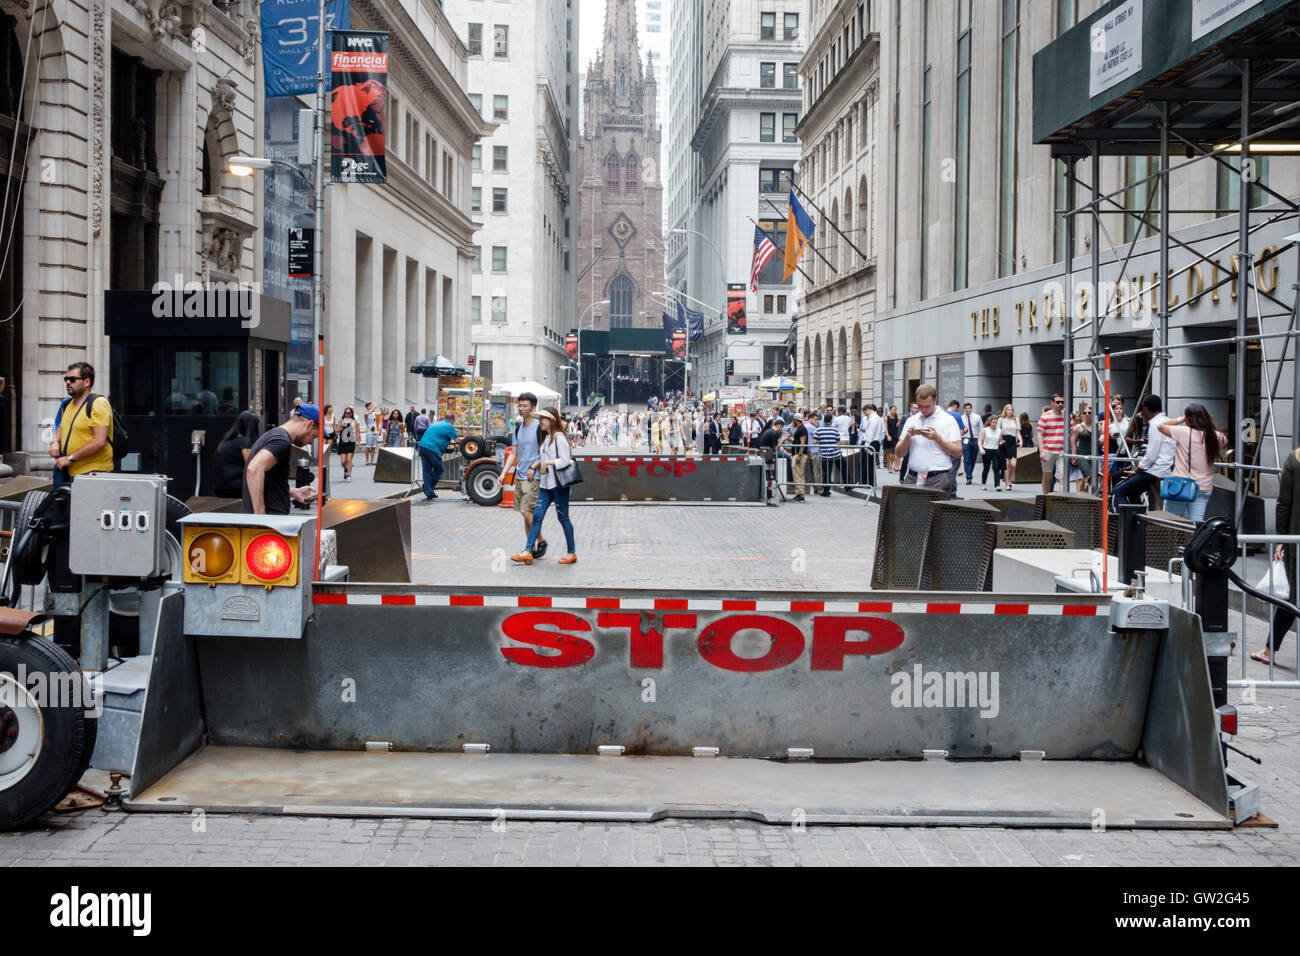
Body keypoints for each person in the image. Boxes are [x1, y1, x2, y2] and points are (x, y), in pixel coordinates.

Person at [512, 408, 577, 565]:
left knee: (563, 518)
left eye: (544, 419)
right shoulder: (546, 437)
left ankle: (571, 552)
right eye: (540, 418)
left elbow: (565, 460)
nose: (541, 421)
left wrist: (548, 463)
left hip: (559, 484)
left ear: (552, 421)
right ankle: (528, 550)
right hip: (545, 484)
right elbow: (544, 457)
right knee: (537, 516)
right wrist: (535, 465)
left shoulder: (559, 438)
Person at [1257, 445, 1300, 665]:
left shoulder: (1294, 459)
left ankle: (1269, 650)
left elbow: (1284, 503)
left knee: (1292, 598)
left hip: (1297, 540)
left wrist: (1281, 539)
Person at [242, 404, 319, 515]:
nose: (311, 441)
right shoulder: (281, 440)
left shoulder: (275, 435)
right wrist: (260, 516)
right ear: (309, 424)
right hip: (270, 521)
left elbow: (269, 480)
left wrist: (293, 492)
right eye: (314, 436)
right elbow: (254, 469)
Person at [1154, 404, 1225, 523]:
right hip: (1203, 487)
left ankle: (1173, 542)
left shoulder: (1183, 432)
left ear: (1188, 418)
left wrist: (1181, 419)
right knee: (1196, 523)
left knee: (1169, 521)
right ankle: (1193, 541)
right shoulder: (1216, 436)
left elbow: (1160, 426)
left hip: (1181, 485)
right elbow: (1224, 442)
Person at [50, 362, 113, 487]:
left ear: (87, 382)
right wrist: (55, 441)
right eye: (66, 379)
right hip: (69, 473)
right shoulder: (68, 404)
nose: (68, 382)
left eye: (72, 379)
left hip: (93, 473)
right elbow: (61, 427)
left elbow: (99, 441)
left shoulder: (98, 403)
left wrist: (70, 458)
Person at [896, 384, 963, 495]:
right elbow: (899, 453)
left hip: (938, 478)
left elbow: (958, 452)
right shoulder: (911, 420)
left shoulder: (948, 420)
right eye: (920, 406)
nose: (923, 410)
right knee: (908, 511)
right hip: (913, 477)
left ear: (935, 400)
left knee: (934, 512)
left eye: (927, 406)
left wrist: (937, 438)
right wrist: (907, 437)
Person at [1112, 395, 1174, 514]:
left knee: (1119, 491)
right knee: (1132, 491)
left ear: (1145, 408)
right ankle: (1137, 518)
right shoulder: (1168, 421)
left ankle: (1129, 524)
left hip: (1155, 471)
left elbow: (1151, 455)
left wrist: (1137, 470)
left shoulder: (1156, 424)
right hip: (1164, 469)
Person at [510, 392, 548, 558]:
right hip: (520, 475)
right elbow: (513, 453)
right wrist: (503, 473)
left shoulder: (540, 427)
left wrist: (534, 466)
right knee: (525, 515)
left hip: (534, 477)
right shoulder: (518, 427)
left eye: (525, 406)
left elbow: (546, 451)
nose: (521, 409)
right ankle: (529, 549)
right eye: (519, 405)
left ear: (533, 407)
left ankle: (540, 540)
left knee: (526, 511)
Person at [213, 410, 262, 498]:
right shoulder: (244, 443)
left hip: (220, 485)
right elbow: (252, 465)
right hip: (235, 486)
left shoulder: (227, 440)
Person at [416, 412, 459, 500]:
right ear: (452, 420)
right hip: (432, 448)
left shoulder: (437, 423)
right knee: (440, 468)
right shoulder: (449, 426)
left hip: (422, 446)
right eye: (454, 422)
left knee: (426, 470)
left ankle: (429, 491)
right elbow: (457, 440)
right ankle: (429, 487)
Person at [1036, 394, 1067, 493]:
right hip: (1048, 450)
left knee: (1062, 477)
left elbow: (1071, 432)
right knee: (1047, 476)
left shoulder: (1066, 415)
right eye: (1058, 402)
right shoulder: (1045, 416)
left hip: (1062, 452)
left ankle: (1062, 500)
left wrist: (1072, 450)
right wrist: (1042, 451)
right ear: (1052, 403)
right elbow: (1040, 434)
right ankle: (1045, 498)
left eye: (1062, 402)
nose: (1060, 404)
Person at [813, 412, 843, 497]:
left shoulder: (818, 429)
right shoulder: (835, 430)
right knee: (841, 468)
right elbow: (838, 442)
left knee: (826, 473)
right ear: (831, 421)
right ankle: (848, 485)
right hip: (834, 454)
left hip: (824, 455)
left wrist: (821, 441)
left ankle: (826, 491)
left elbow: (814, 441)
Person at [1070, 405, 1094, 492]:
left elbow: (1103, 434)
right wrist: (1074, 455)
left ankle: (1081, 494)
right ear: (1082, 415)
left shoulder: (1097, 426)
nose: (1087, 414)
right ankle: (1091, 498)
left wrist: (1102, 437)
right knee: (1089, 476)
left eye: (1089, 413)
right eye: (1085, 413)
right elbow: (1073, 441)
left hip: (1094, 455)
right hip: (1082, 455)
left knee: (1085, 478)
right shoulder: (1078, 427)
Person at [959, 402, 982, 486]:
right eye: (966, 408)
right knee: (967, 458)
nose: (967, 410)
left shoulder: (977, 417)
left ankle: (969, 472)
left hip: (975, 439)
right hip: (965, 439)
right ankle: (969, 477)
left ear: (971, 409)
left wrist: (980, 440)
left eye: (969, 408)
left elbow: (981, 428)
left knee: (973, 458)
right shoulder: (961, 418)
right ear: (964, 409)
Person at [998, 405, 1020, 491]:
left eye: (1011, 410)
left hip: (1012, 441)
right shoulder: (1001, 420)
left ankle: (1008, 478)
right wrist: (1000, 441)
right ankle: (1007, 482)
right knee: (1007, 463)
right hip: (1004, 440)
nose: (1010, 411)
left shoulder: (1016, 419)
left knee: (1013, 464)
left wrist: (1020, 441)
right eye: (1008, 410)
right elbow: (999, 431)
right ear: (1005, 411)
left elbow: (1018, 432)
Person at [335, 406, 359, 481]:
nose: (347, 414)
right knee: (343, 461)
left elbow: (357, 432)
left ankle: (349, 474)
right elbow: (337, 430)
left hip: (351, 442)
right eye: (345, 413)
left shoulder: (354, 421)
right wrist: (340, 428)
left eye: (348, 413)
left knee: (349, 460)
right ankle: (346, 469)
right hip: (342, 442)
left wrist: (360, 442)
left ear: (351, 413)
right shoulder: (341, 420)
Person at [980, 417, 1003, 491]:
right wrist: (981, 448)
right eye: (993, 422)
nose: (995, 424)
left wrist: (1001, 442)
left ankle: (997, 485)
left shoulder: (999, 431)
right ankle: (983, 484)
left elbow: (1000, 440)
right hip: (986, 450)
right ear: (990, 422)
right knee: (986, 468)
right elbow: (980, 441)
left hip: (995, 451)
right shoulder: (985, 430)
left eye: (996, 422)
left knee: (996, 468)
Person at [884, 405, 901, 472]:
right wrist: (887, 436)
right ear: (890, 410)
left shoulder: (898, 418)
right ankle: (889, 467)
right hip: (888, 435)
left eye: (895, 409)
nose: (893, 411)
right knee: (888, 452)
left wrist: (899, 421)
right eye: (892, 409)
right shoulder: (886, 418)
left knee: (895, 451)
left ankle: (895, 465)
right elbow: (886, 427)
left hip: (895, 436)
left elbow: (897, 426)